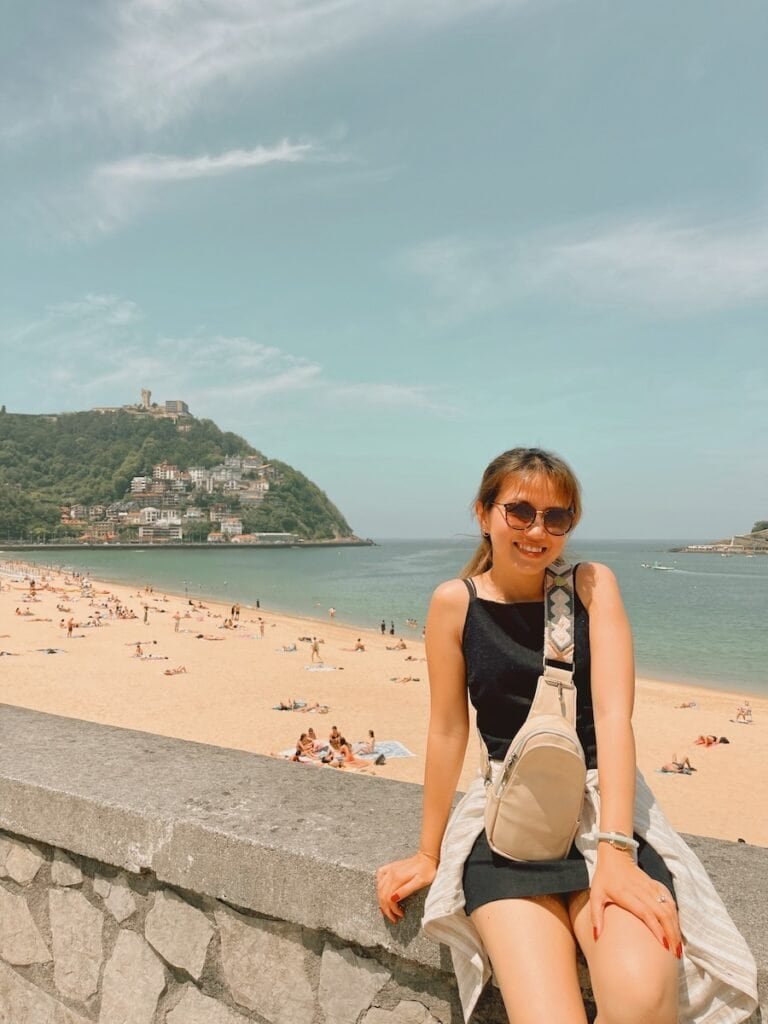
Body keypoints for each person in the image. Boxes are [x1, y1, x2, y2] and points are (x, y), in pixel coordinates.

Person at [376, 447, 757, 1024]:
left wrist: (616, 853)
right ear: (484, 513)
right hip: (510, 820)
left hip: (602, 811)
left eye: (557, 517)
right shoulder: (455, 603)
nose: (538, 530)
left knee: (641, 998)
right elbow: (448, 729)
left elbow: (613, 719)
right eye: (520, 511)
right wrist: (428, 852)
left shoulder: (589, 586)